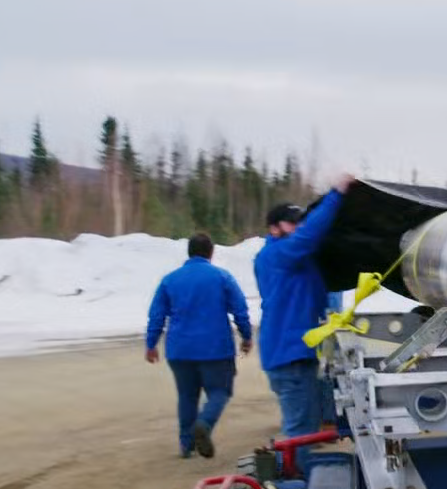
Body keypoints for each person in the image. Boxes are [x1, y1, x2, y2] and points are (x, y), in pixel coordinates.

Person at [255, 176, 350, 440]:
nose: (298, 227)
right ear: (274, 229)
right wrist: (336, 194)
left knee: (305, 426)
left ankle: (297, 463)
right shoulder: (278, 254)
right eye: (291, 223)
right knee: (300, 431)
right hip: (289, 357)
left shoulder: (292, 261)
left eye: (300, 222)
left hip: (291, 353)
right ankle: (295, 466)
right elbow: (308, 237)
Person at [145, 232, 253, 459]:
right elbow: (240, 309)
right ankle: (204, 423)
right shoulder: (222, 277)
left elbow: (157, 315)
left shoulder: (170, 280)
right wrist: (246, 336)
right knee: (219, 391)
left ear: (189, 252)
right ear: (211, 253)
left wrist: (151, 344)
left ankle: (186, 445)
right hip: (216, 349)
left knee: (187, 396)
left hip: (180, 350)